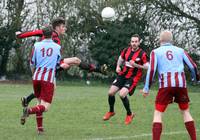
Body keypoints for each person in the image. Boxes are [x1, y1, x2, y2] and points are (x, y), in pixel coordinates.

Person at [16, 17, 107, 108]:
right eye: (63, 26)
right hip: (48, 65)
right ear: (57, 27)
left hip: (43, 65)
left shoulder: (47, 33)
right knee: (75, 60)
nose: (65, 28)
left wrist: (20, 35)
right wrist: (60, 67)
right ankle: (98, 69)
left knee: (52, 87)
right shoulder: (53, 37)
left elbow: (33, 32)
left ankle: (28, 100)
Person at [141, 30, 199, 140]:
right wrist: (195, 78)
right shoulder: (181, 50)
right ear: (171, 40)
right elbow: (193, 66)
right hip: (181, 85)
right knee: (185, 112)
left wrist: (146, 88)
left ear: (160, 40)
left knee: (158, 113)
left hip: (165, 86)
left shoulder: (155, 52)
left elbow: (152, 69)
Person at [20, 26, 62, 134]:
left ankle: (40, 129)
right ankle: (28, 111)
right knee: (45, 107)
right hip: (48, 79)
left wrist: (34, 74)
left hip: (36, 77)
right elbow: (58, 63)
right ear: (52, 34)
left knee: (39, 103)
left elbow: (32, 63)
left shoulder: (36, 45)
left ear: (43, 34)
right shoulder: (57, 47)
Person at [102, 34, 149, 125]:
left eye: (136, 42)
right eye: (132, 42)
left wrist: (136, 65)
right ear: (130, 42)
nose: (134, 43)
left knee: (122, 94)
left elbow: (147, 67)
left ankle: (129, 114)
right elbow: (121, 58)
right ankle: (111, 111)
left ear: (139, 43)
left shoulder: (142, 54)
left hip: (132, 78)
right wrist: (118, 66)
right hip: (122, 75)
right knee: (110, 93)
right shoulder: (126, 50)